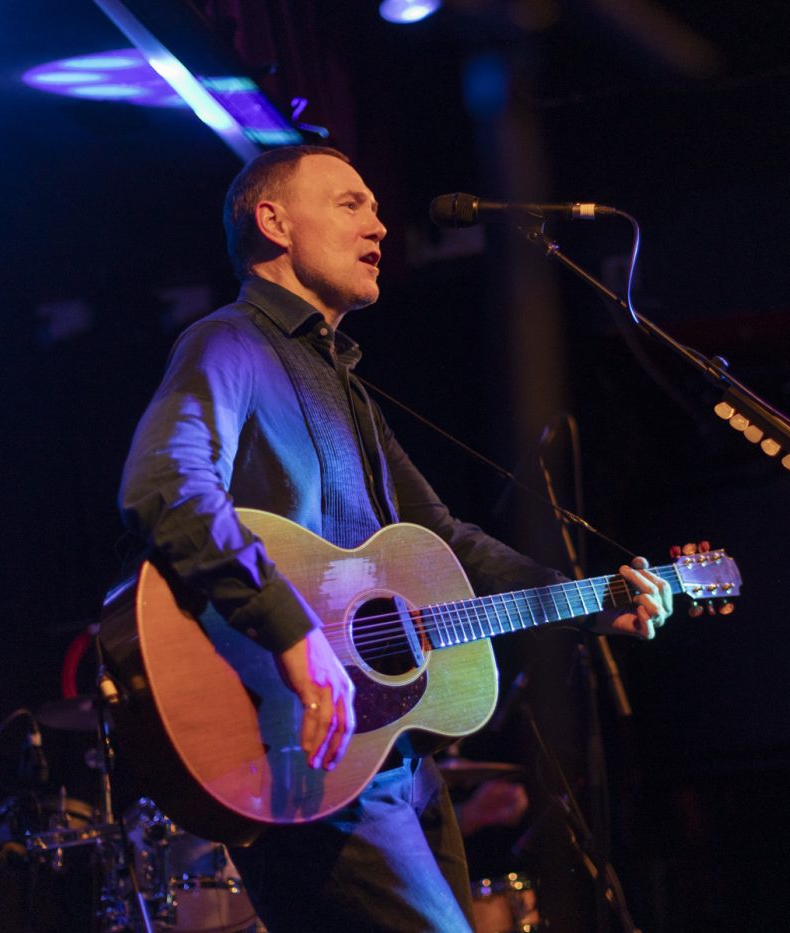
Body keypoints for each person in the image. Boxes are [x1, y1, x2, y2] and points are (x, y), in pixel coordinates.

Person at [117, 144, 673, 932]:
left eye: (376, 207)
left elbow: (444, 542)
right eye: (350, 203)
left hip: (394, 757)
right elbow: (163, 482)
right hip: (295, 738)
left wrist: (593, 600)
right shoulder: (228, 343)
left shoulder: (345, 386)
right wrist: (292, 633)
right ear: (273, 221)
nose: (379, 223)